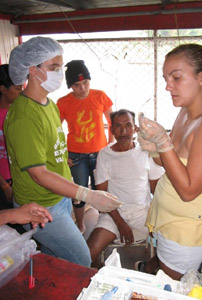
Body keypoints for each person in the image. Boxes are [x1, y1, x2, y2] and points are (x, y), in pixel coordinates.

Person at [4, 36, 121, 267]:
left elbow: (53, 149)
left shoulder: (48, 104)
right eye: (53, 68)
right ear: (33, 70)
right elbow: (38, 173)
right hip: (41, 207)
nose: (59, 73)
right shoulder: (25, 116)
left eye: (60, 66)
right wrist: (86, 194)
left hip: (58, 197)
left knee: (54, 256)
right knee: (81, 260)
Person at [137, 43, 202, 280]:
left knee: (171, 290)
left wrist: (163, 142)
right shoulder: (185, 112)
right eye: (166, 78)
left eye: (176, 77)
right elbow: (171, 164)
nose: (167, 86)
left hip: (185, 233)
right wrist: (154, 148)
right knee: (160, 272)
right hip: (167, 221)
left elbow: (189, 190)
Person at [87, 109, 164, 267]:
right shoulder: (105, 155)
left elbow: (156, 190)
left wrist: (158, 217)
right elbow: (102, 196)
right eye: (118, 126)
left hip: (143, 214)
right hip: (113, 215)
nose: (123, 131)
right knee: (87, 255)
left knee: (170, 250)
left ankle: (146, 269)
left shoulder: (145, 151)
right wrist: (120, 222)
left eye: (128, 125)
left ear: (135, 128)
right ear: (112, 129)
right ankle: (106, 275)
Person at [57, 60, 114, 235]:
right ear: (70, 86)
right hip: (76, 156)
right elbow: (55, 130)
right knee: (80, 191)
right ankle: (80, 224)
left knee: (102, 190)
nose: (82, 88)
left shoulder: (100, 96)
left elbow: (112, 122)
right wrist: (63, 154)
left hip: (100, 153)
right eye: (77, 85)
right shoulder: (63, 102)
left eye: (86, 82)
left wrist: (110, 146)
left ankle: (105, 225)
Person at [0, 64, 23, 209]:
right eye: (17, 89)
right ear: (3, 89)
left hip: (19, 177)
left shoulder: (19, 111)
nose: (21, 93)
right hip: (3, 181)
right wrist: (4, 186)